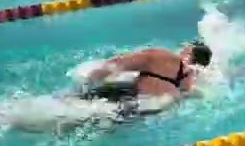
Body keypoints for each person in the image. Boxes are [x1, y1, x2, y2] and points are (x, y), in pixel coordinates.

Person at [76, 39, 213, 117]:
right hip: (146, 111)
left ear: (189, 50)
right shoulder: (191, 80)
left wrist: (87, 81)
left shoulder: (162, 57)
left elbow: (117, 64)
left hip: (126, 98)